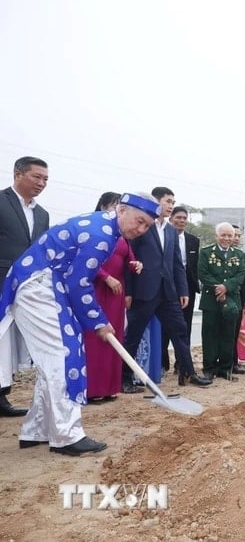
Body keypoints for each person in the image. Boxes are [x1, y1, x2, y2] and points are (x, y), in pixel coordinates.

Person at [0, 193, 160, 455]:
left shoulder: (106, 228)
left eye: (147, 226)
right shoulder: (100, 235)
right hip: (39, 286)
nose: (140, 229)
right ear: (121, 210)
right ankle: (67, 435)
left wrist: (97, 320)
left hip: (49, 286)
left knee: (52, 359)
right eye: (139, 221)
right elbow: (80, 282)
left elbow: (75, 279)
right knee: (64, 356)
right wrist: (98, 321)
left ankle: (37, 429)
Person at [122, 187, 211, 390]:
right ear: (156, 201)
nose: (170, 205)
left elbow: (177, 263)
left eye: (173, 202)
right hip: (144, 291)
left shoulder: (171, 230)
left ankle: (187, 373)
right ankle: (125, 378)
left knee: (180, 331)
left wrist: (183, 291)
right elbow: (129, 258)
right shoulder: (143, 225)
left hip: (168, 292)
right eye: (168, 201)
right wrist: (128, 291)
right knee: (133, 335)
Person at [0, 156, 50, 416]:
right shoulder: (1, 202)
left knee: (10, 344)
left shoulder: (42, 214)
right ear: (17, 174)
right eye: (36, 177)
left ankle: (2, 397)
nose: (41, 183)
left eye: (45, 179)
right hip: (1, 283)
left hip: (28, 289)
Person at [83, 193, 143, 403]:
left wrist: (135, 265)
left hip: (116, 292)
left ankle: (110, 387)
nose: (117, 210)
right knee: (96, 337)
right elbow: (85, 259)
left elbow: (128, 258)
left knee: (114, 337)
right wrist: (105, 277)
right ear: (103, 206)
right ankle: (92, 388)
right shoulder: (93, 228)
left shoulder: (121, 234)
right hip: (95, 289)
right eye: (115, 206)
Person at [198, 222, 245, 380]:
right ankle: (209, 368)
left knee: (228, 334)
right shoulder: (206, 253)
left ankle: (226, 368)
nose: (226, 238)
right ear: (216, 236)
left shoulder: (239, 255)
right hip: (210, 300)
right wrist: (218, 288)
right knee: (210, 333)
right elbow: (203, 273)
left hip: (232, 299)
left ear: (233, 237)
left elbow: (241, 274)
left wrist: (226, 287)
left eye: (229, 235)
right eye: (223, 235)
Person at [162, 205, 200, 375]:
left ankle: (182, 364)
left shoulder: (193, 240)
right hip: (166, 286)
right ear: (171, 218)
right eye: (178, 217)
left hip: (187, 288)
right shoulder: (164, 234)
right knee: (165, 327)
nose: (182, 221)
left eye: (185, 218)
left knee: (185, 326)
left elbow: (192, 266)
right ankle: (163, 363)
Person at [231, 225, 245, 372]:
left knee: (235, 332)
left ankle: (233, 362)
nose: (236, 238)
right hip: (220, 297)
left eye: (239, 235)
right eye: (234, 235)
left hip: (238, 300)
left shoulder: (243, 257)